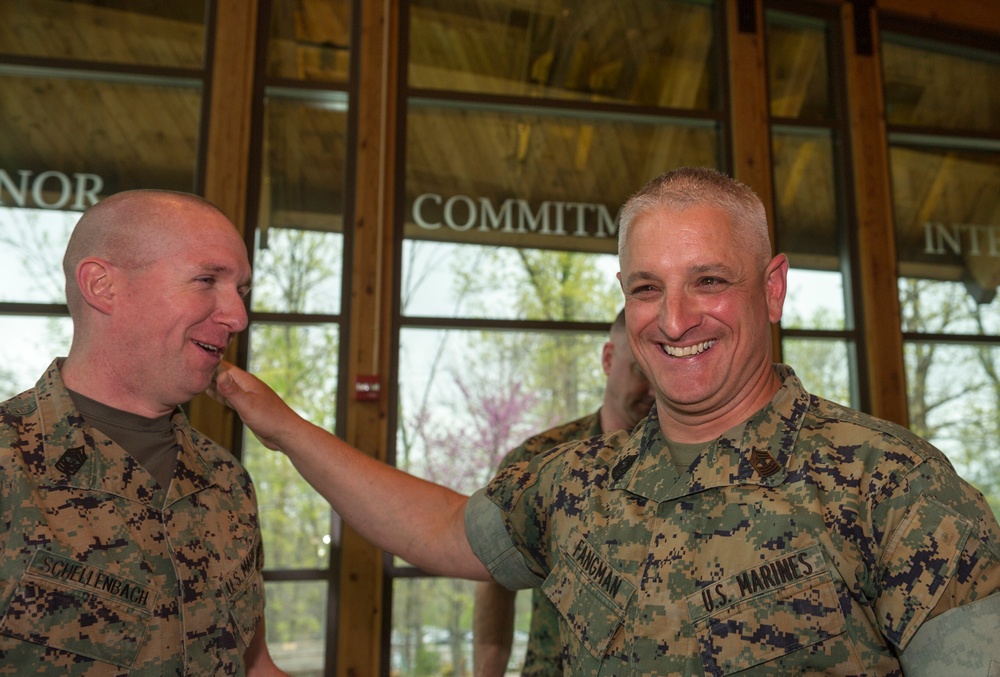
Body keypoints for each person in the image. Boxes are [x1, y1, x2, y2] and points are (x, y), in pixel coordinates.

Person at [214, 167, 1000, 675]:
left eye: (710, 281)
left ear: (772, 288)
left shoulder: (891, 487)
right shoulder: (579, 479)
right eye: (647, 288)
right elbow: (442, 529)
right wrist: (280, 426)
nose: (676, 318)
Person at [0, 190, 286, 675]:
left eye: (241, 291)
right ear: (102, 285)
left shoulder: (225, 481)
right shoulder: (12, 465)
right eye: (206, 280)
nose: (237, 316)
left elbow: (254, 666)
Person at [473, 309, 654, 677]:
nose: (654, 390)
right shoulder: (537, 461)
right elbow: (493, 580)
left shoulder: (694, 465)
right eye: (640, 371)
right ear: (608, 359)